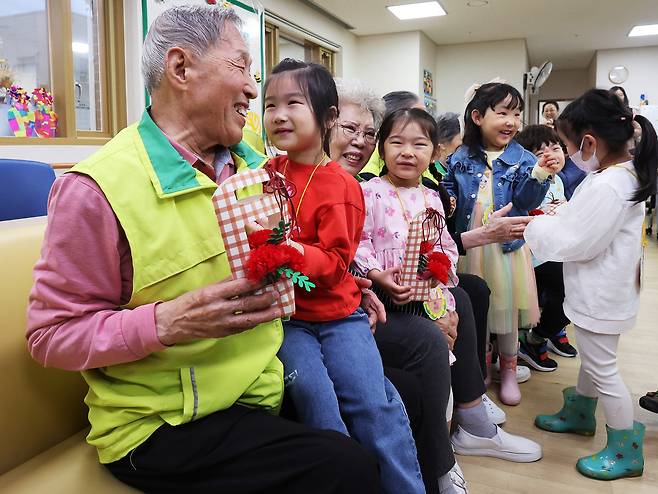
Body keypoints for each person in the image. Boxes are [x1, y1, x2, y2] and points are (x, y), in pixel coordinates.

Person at [25, 6, 381, 493]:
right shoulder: (95, 190)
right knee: (347, 468)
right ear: (181, 68)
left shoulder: (257, 167)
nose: (255, 91)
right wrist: (166, 323)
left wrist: (342, 282)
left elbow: (293, 257)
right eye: (241, 68)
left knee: (397, 374)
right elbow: (51, 336)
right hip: (165, 423)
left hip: (260, 383)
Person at [263, 58, 424, 494]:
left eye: (293, 103)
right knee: (316, 402)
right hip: (290, 320)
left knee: (374, 406)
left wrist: (290, 252)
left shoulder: (341, 186)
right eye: (270, 104)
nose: (278, 114)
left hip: (339, 316)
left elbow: (335, 264)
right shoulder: (263, 176)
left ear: (327, 117)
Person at [353, 107, 542, 465]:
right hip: (384, 295)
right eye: (396, 142)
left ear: (435, 152)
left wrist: (443, 285)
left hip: (425, 292)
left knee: (463, 298)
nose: (407, 152)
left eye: (419, 144)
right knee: (439, 328)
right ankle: (445, 436)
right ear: (381, 148)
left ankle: (468, 415)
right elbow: (359, 241)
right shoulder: (369, 192)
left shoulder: (431, 196)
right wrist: (378, 274)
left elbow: (445, 247)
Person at [525, 88, 657, 480]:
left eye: (567, 146)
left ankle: (625, 449)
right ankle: (580, 412)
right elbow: (585, 220)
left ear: (588, 142)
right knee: (594, 358)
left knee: (604, 369)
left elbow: (577, 241)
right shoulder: (615, 174)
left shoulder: (607, 185)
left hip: (601, 291)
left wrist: (537, 224)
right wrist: (560, 214)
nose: (570, 155)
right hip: (606, 288)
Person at [443, 82, 555, 406]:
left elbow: (525, 201)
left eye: (516, 114)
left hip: (506, 247)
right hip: (473, 242)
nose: (511, 121)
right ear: (477, 116)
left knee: (506, 311)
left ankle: (509, 367)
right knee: (477, 309)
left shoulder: (523, 157)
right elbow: (449, 190)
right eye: (503, 112)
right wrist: (446, 196)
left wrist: (537, 175)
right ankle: (482, 362)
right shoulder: (460, 156)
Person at [514, 125, 578, 373]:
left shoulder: (559, 180)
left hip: (556, 249)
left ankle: (545, 332)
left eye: (556, 147)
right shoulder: (529, 179)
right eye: (541, 152)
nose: (552, 154)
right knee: (570, 291)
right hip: (536, 254)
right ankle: (536, 337)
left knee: (573, 288)